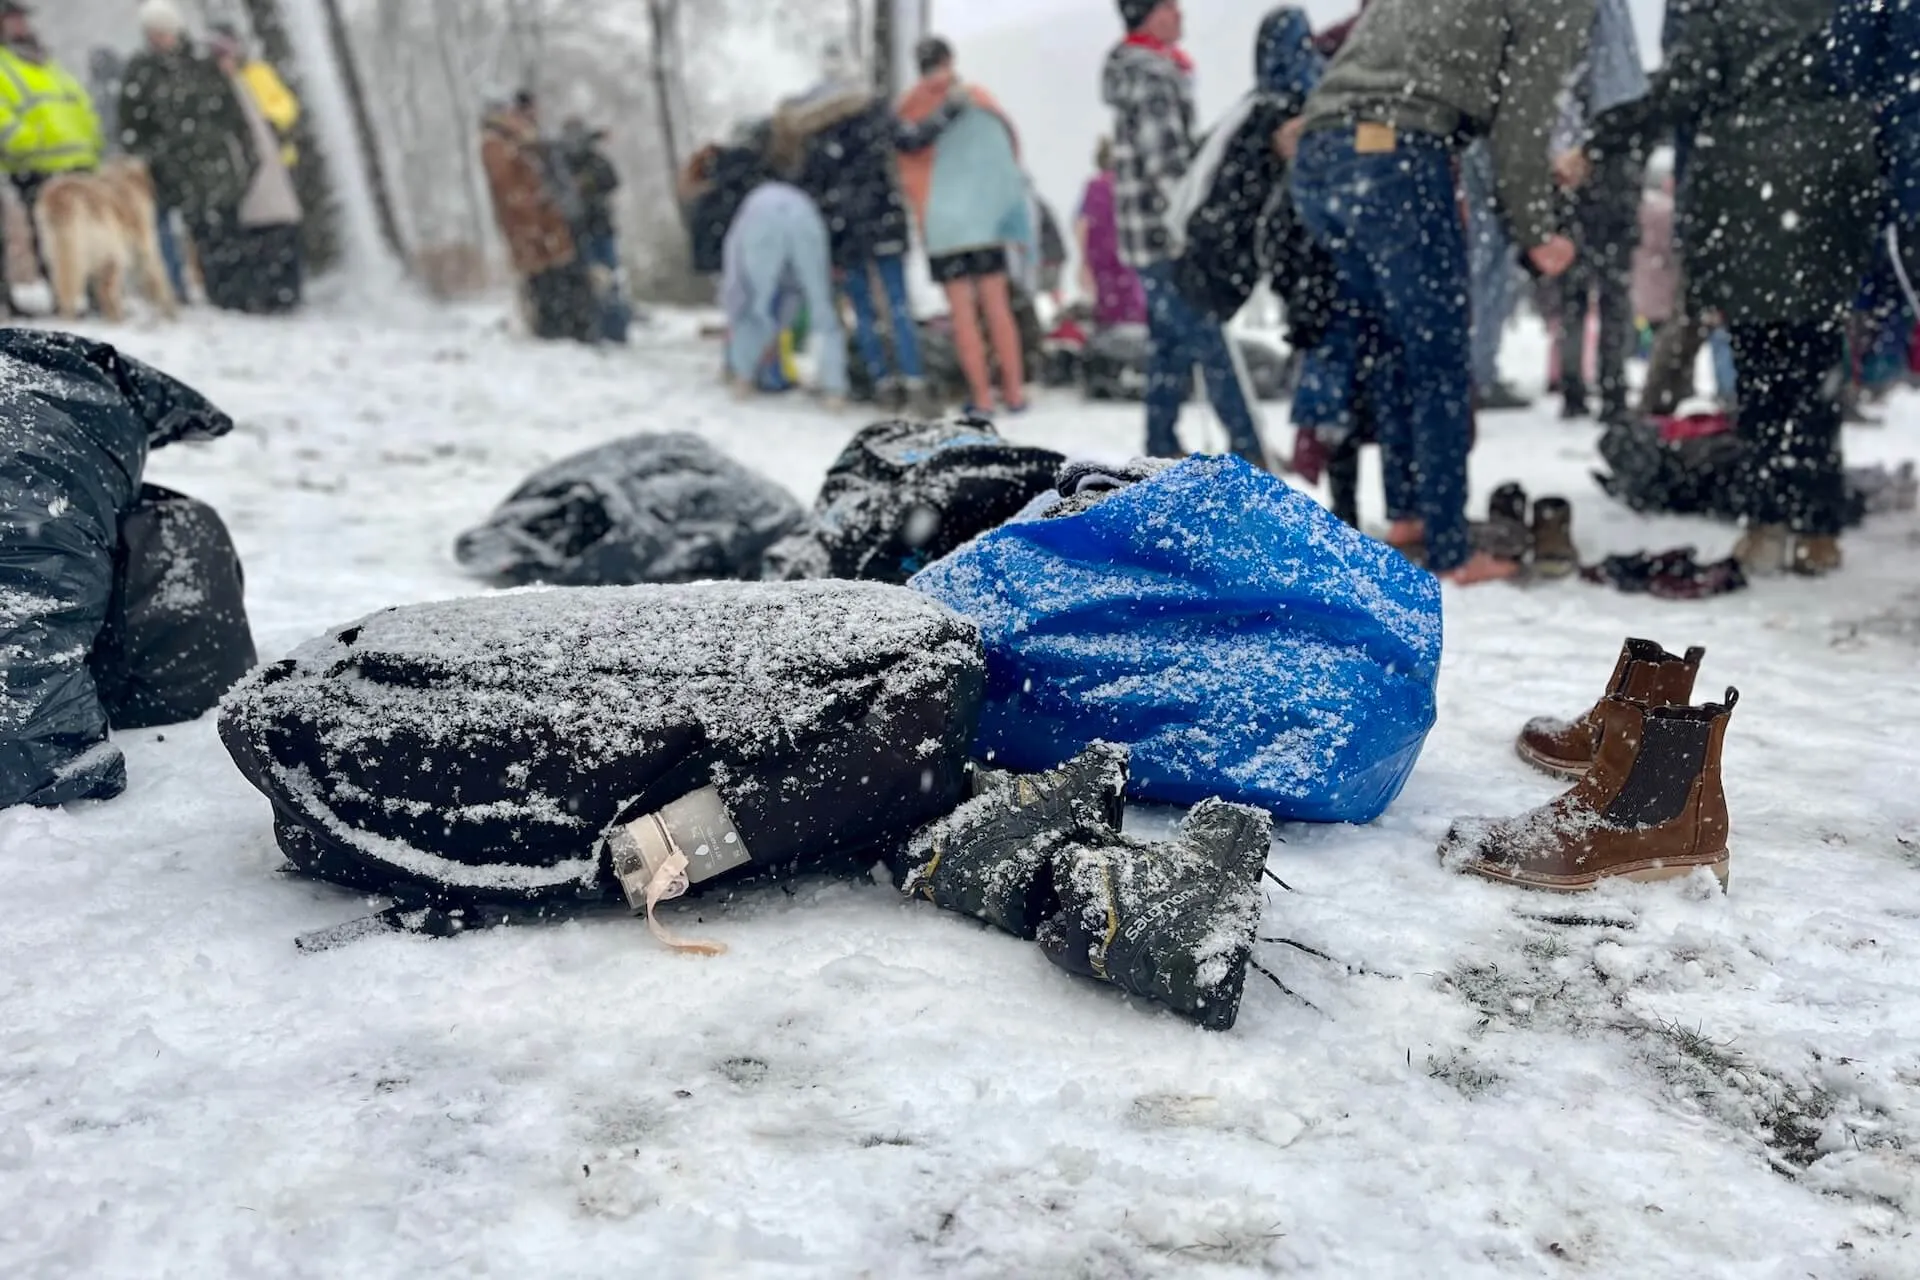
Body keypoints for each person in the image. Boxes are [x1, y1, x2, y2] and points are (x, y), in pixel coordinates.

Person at [1290, 0, 1584, 584]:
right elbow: (1523, 118)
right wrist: (1535, 230)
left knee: (1389, 347)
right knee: (1439, 356)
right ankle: (1450, 549)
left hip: (1322, 151)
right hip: (1398, 152)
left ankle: (1409, 515)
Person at [1592, 0, 1882, 578]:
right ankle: (1818, 525)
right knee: (1816, 364)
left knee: (1759, 368)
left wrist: (1604, 132)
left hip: (1746, 192)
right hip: (1830, 182)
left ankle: (1767, 519)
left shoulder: (1721, 13)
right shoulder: (1842, 13)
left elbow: (1679, 89)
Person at [1104, 0, 1269, 469]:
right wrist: (1195, 224)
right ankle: (1248, 447)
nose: (1180, 13)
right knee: (1208, 338)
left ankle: (1160, 443)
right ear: (1149, 14)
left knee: (1171, 346)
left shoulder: (1137, 72)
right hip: (1167, 236)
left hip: (1145, 234)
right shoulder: (1152, 77)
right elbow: (1167, 168)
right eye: (1170, 6)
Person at [771, 43, 928, 408]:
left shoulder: (813, 128)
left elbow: (807, 182)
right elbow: (911, 140)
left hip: (844, 230)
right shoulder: (874, 111)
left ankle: (882, 382)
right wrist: (949, 112)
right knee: (898, 304)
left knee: (863, 310)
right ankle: (915, 381)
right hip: (884, 216)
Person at [898, 37, 1034, 415]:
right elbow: (1006, 157)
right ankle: (1014, 392)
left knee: (962, 315)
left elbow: (905, 151)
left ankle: (982, 397)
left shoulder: (912, 106)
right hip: (985, 223)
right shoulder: (979, 99)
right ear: (950, 60)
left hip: (944, 225)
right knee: (997, 307)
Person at [121, 1, 258, 310]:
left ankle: (242, 290)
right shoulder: (141, 71)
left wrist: (238, 145)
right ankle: (218, 292)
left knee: (229, 227)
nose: (159, 39)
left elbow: (230, 110)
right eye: (153, 33)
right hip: (176, 169)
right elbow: (132, 126)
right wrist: (154, 154)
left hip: (216, 161)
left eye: (163, 32)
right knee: (200, 231)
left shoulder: (202, 63)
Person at [1550, 0, 1649, 426]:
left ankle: (1575, 387)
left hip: (1573, 171)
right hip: (1614, 168)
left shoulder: (1565, 24)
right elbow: (1632, 98)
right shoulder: (1616, 30)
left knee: (1574, 292)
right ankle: (1612, 389)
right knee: (1613, 291)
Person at [0, 2, 105, 311]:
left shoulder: (46, 61)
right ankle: (65, 295)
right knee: (52, 239)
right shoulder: (6, 64)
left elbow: (80, 104)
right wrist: (29, 141)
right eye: (12, 19)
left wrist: (93, 142)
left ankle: (93, 293)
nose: (20, 25)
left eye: (22, 19)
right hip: (36, 166)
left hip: (79, 163)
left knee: (88, 234)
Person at [479, 94, 594, 343]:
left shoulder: (519, 141)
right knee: (546, 286)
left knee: (561, 281)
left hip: (545, 225)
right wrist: (533, 213)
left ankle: (571, 331)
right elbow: (509, 190)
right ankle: (555, 332)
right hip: (532, 229)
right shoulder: (496, 146)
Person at [720, 180, 847, 404]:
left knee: (754, 304)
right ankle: (834, 389)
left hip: (761, 222)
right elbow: (794, 296)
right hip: (805, 218)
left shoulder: (747, 214)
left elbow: (736, 284)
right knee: (821, 305)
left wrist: (732, 315)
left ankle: (743, 377)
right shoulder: (798, 201)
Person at [208, 24, 301, 313]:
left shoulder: (256, 75)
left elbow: (284, 105)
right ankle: (264, 292)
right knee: (254, 233)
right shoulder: (217, 87)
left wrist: (272, 121)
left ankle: (284, 292)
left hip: (274, 161)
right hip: (246, 170)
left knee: (279, 229)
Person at [560, 118, 631, 344]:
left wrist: (587, 183)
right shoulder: (562, 163)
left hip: (599, 228)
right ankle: (594, 329)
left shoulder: (594, 161)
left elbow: (612, 180)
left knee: (609, 279)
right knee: (587, 283)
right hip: (578, 232)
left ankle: (614, 329)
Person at [1075, 139, 1147, 327]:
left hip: (1100, 254)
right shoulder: (1129, 184)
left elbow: (1081, 224)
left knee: (1108, 303)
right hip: (1129, 249)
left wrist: (1083, 262)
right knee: (1133, 299)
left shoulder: (1094, 186)